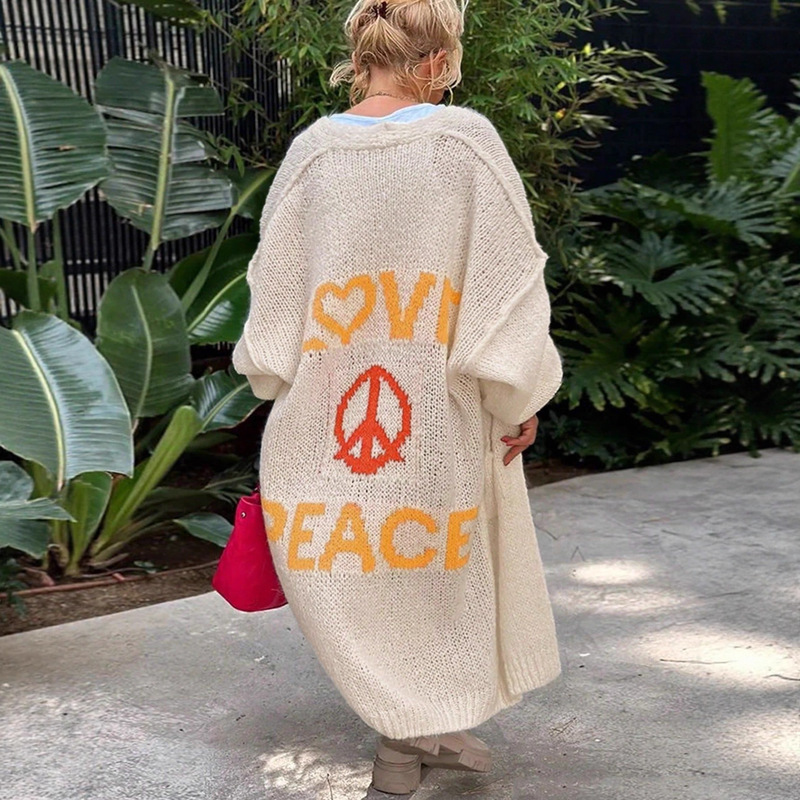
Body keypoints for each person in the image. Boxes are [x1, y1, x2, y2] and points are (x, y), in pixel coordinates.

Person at [231, 0, 564, 793]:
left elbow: (273, 298)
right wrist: (517, 395)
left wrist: (273, 379)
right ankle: (411, 736)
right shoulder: (465, 142)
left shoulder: (312, 154)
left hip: (323, 416)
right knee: (435, 572)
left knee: (361, 579)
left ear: (360, 57)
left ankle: (407, 738)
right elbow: (506, 287)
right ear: (438, 60)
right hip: (438, 412)